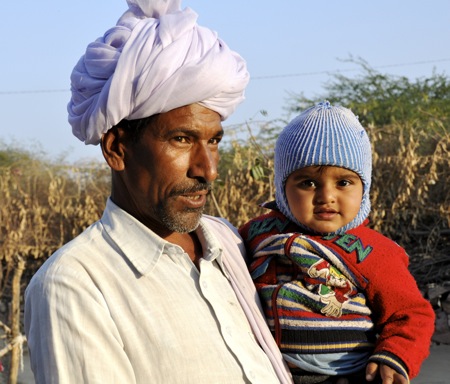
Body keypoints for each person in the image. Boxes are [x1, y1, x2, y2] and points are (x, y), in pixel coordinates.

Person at [24, 1, 293, 383]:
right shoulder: (76, 286)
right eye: (182, 139)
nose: (208, 170)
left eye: (214, 141)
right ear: (117, 149)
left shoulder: (229, 243)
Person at [239, 101, 435, 384]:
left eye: (343, 182)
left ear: (364, 188)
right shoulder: (257, 233)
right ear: (282, 188)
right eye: (307, 183)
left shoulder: (373, 252)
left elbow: (411, 313)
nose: (326, 196)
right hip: (266, 370)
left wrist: (395, 355)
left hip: (345, 374)